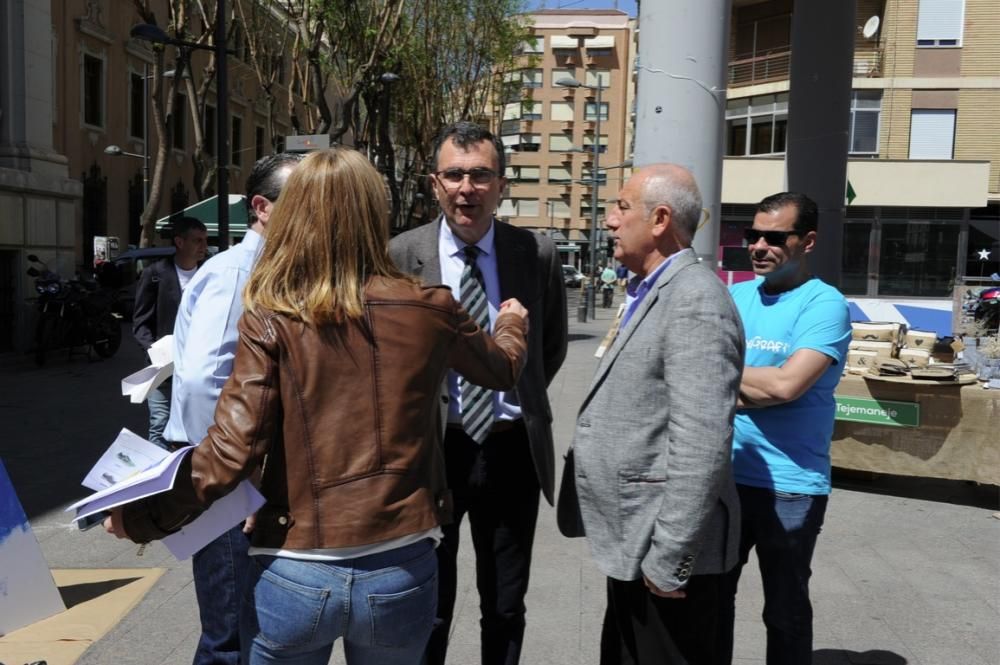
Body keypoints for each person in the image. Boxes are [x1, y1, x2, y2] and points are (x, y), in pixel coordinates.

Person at [106, 147, 529, 665]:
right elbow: (501, 369)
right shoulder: (431, 305)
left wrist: (144, 518)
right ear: (376, 214)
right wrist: (511, 322)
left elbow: (229, 451)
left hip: (295, 567)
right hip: (402, 563)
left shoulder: (273, 313)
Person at [389, 121, 568, 665]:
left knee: (506, 603)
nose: (468, 188)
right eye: (455, 175)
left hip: (512, 448)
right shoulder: (401, 255)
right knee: (429, 603)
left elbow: (548, 349)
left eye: (482, 175)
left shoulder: (534, 252)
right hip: (434, 451)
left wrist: (512, 399)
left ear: (502, 184)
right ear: (434, 182)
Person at [567, 164, 744, 665]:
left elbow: (703, 442)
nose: (611, 220)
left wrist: (670, 558)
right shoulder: (651, 289)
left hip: (667, 558)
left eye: (622, 207)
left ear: (661, 218)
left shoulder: (695, 300)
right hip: (635, 543)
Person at [161, 151, 303, 665]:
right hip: (228, 484)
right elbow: (202, 383)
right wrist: (233, 480)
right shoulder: (238, 273)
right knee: (230, 637)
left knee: (245, 626)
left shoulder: (267, 269)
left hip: (238, 478)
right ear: (263, 208)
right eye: (304, 202)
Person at [719, 192, 851, 665]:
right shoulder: (733, 295)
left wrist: (724, 382)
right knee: (711, 605)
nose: (758, 246)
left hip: (791, 487)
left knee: (785, 611)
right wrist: (754, 385)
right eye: (752, 235)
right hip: (726, 476)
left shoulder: (825, 305)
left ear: (808, 241)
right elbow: (694, 374)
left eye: (775, 238)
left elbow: (787, 385)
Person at [131, 216, 207, 449]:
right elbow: (140, 323)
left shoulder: (210, 273)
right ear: (179, 242)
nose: (204, 246)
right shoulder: (155, 274)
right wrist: (155, 350)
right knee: (160, 424)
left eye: (205, 240)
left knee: (195, 426)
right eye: (198, 240)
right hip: (163, 367)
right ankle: (159, 482)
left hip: (200, 367)